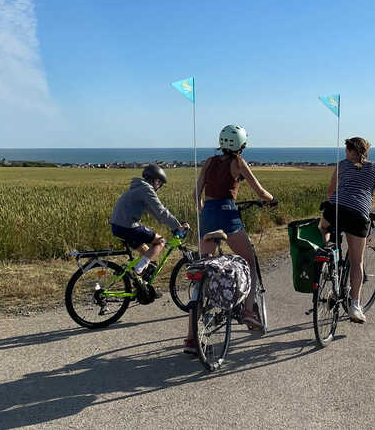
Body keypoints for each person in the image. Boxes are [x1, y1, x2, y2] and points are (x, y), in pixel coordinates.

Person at [184, 124, 275, 355]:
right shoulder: (238, 163)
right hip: (228, 215)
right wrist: (270, 199)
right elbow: (259, 190)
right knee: (249, 261)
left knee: (203, 269)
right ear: (241, 145)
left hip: (207, 216)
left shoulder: (209, 162)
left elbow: (196, 194)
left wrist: (205, 212)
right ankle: (247, 311)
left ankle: (191, 339)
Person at [318, 137, 375, 324]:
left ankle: (329, 248)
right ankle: (355, 307)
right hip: (358, 215)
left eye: (346, 150)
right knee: (357, 262)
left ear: (350, 151)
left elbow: (331, 191)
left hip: (336, 210)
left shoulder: (342, 164)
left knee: (323, 226)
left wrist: (337, 202)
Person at [109, 163, 189, 279]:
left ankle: (143, 288)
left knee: (146, 252)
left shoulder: (138, 188)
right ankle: (138, 269)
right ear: (156, 181)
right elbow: (161, 211)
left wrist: (171, 224)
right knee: (160, 241)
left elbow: (155, 213)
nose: (159, 187)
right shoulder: (147, 189)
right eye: (160, 183)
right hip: (128, 226)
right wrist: (178, 227)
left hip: (118, 226)